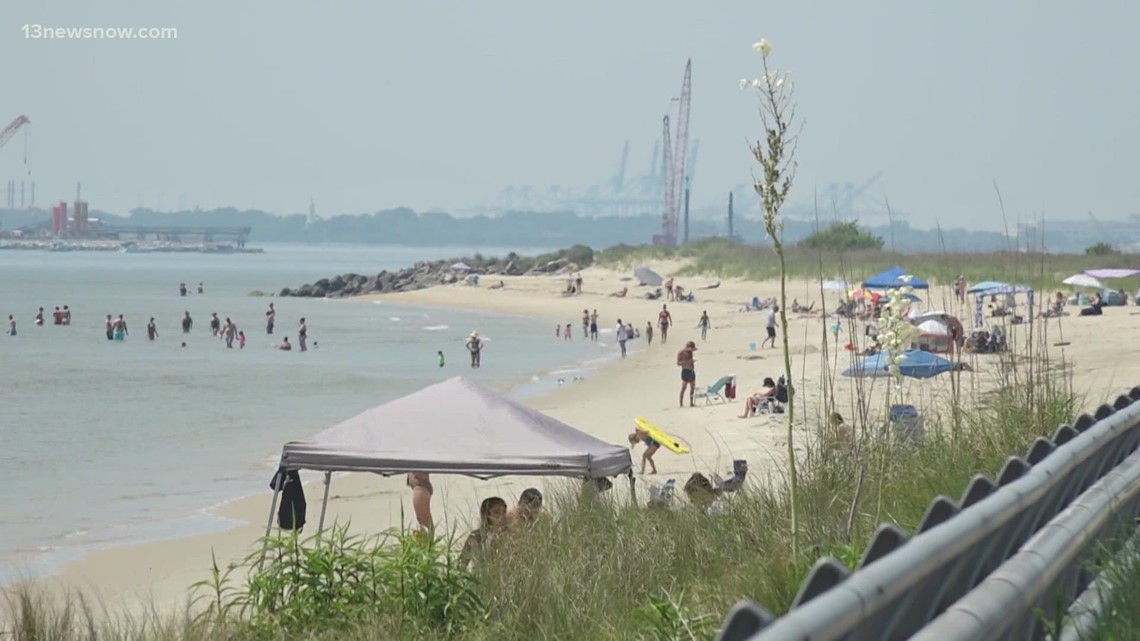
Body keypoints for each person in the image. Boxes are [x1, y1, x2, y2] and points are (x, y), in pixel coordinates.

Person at [461, 496, 508, 564]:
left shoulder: (509, 535)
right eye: (496, 512)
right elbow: (462, 563)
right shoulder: (475, 536)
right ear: (487, 515)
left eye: (504, 512)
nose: (501, 516)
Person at [677, 341, 697, 407]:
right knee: (683, 388)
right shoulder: (681, 353)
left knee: (692, 388)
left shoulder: (690, 352)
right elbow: (678, 363)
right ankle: (681, 403)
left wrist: (692, 362)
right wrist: (687, 362)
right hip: (685, 371)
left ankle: (691, 402)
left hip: (691, 371)